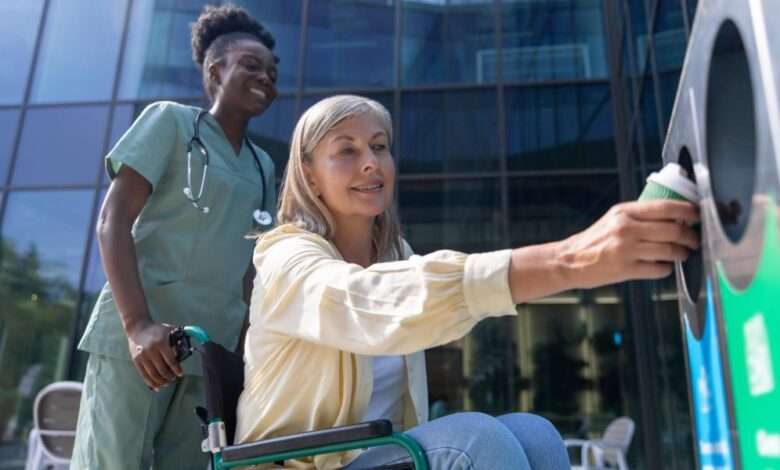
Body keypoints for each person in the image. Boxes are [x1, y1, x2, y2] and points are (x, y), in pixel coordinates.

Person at [235, 95, 700, 469]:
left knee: (533, 432)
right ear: (310, 178)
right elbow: (370, 301)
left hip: (376, 456)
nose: (371, 162)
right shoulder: (283, 256)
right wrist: (573, 260)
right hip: (295, 466)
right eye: (346, 150)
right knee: (470, 440)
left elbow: (419, 299)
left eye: (379, 145)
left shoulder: (396, 255)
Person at [71, 4, 278, 469]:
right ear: (214, 70)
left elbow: (253, 273)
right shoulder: (170, 121)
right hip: (143, 346)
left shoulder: (264, 168)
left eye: (271, 71)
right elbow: (113, 220)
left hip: (209, 357)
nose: (266, 77)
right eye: (251, 65)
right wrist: (137, 326)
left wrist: (245, 357)